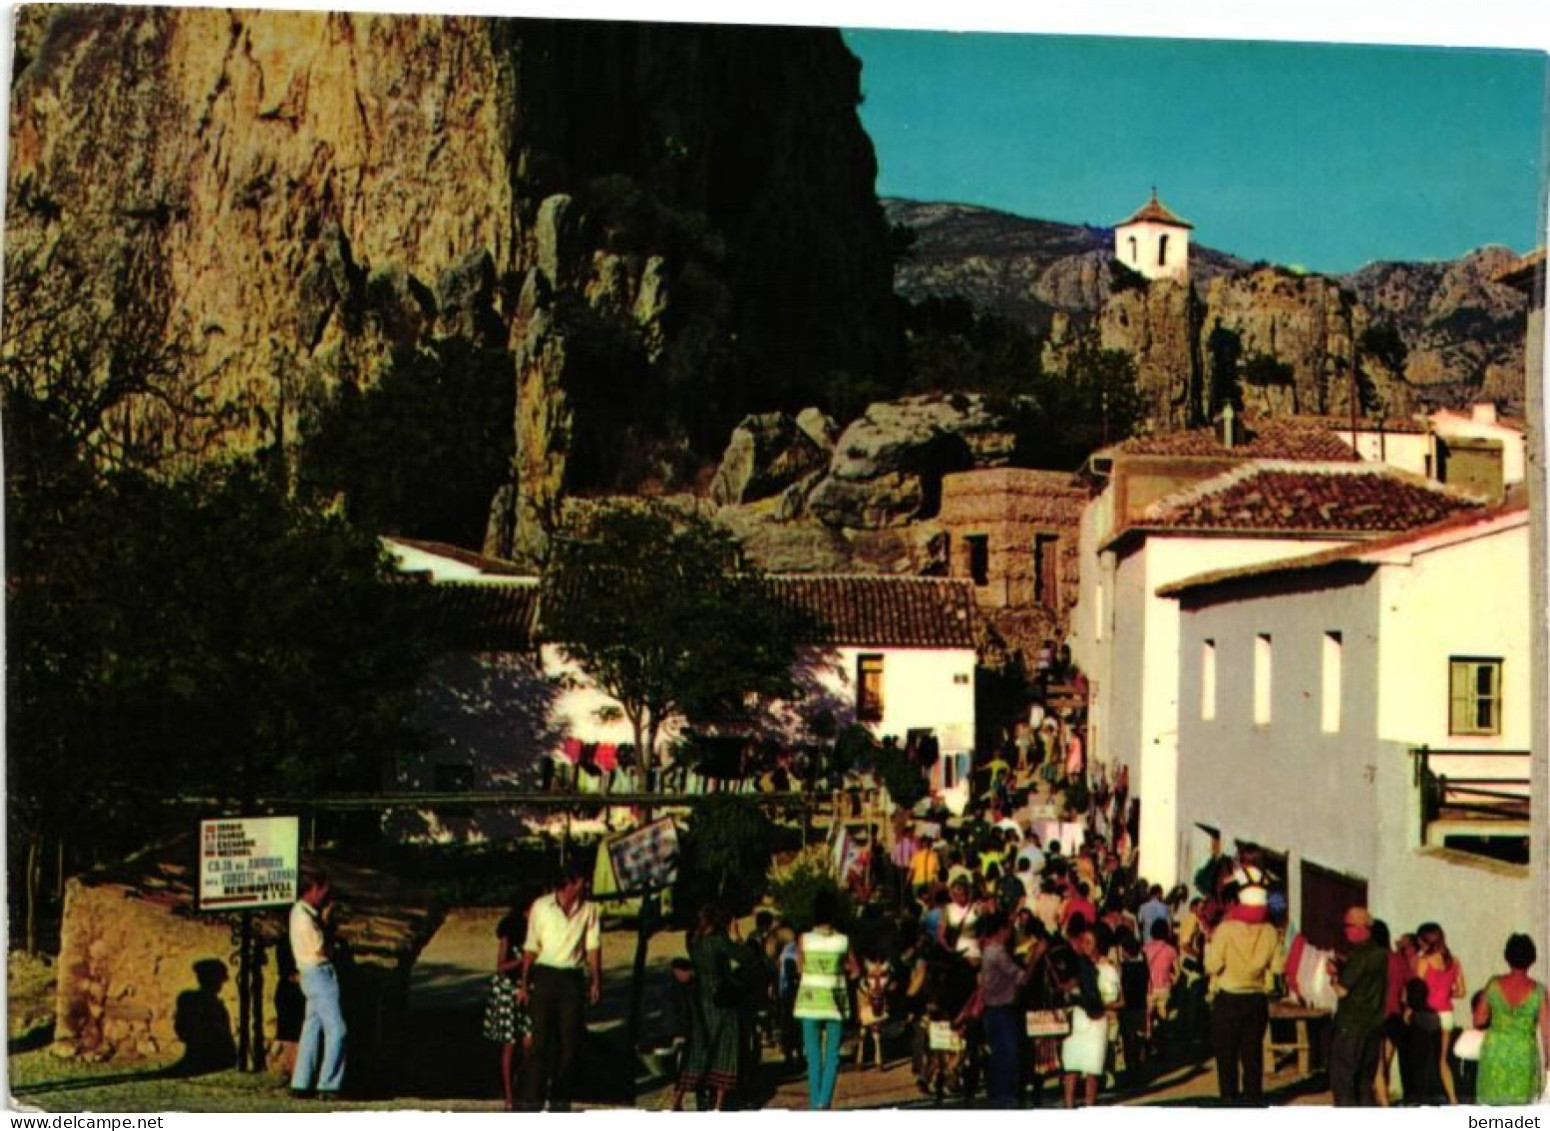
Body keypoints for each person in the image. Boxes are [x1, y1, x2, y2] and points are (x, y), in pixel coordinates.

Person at [515, 862, 602, 1112]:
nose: (586, 885)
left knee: (570, 1044)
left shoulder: (589, 910)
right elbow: (531, 946)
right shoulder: (542, 907)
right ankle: (530, 1102)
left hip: (572, 978)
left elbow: (593, 947)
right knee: (539, 1042)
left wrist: (596, 979)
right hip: (545, 976)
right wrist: (524, 983)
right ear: (571, 883)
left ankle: (560, 1103)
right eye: (583, 881)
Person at [672, 903, 746, 1111]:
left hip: (700, 999)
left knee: (697, 1050)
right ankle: (719, 1104)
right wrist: (736, 936)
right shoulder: (718, 942)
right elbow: (743, 956)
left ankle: (677, 1099)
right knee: (725, 1048)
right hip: (720, 1000)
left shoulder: (692, 940)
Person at [792, 889, 860, 1110]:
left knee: (813, 1057)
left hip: (809, 1002)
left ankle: (815, 1105)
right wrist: (840, 969)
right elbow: (856, 971)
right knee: (832, 1056)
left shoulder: (804, 939)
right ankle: (824, 1103)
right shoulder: (843, 941)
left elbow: (800, 968)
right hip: (835, 1003)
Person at [1473, 933, 1550, 1105]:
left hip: (1495, 1050)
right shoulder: (1538, 991)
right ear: (1532, 958)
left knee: (1491, 1109)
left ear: (1507, 956)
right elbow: (1547, 1033)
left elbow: (1478, 1019)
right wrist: (1548, 1065)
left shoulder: (1493, 984)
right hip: (1523, 1053)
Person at [289, 870, 347, 1099]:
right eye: (324, 891)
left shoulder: (300, 913)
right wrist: (329, 926)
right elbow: (323, 949)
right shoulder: (305, 918)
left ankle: (301, 1081)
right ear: (314, 889)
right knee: (337, 1030)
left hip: (308, 973)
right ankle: (329, 1083)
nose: (326, 895)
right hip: (319, 972)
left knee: (312, 1027)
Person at [1329, 906, 1388, 1106]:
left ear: (1361, 928)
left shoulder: (1358, 955)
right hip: (1373, 1024)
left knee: (1343, 1080)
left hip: (1352, 1025)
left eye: (1348, 926)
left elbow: (1342, 991)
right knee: (1364, 1081)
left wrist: (1334, 977)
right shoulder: (1380, 954)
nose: (1345, 930)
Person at [484, 892, 535, 1109]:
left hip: (528, 987)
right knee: (510, 1043)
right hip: (508, 988)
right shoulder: (511, 928)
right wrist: (521, 961)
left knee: (529, 1042)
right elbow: (501, 965)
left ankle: (520, 1081)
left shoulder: (538, 929)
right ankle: (509, 1094)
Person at [976, 912, 1029, 1107]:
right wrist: (1035, 956)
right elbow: (1020, 977)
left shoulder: (988, 951)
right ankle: (1007, 1099)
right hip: (1002, 1011)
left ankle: (999, 1097)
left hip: (993, 1011)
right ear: (1002, 930)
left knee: (998, 1057)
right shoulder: (997, 953)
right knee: (1008, 1057)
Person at [1412, 921, 1465, 1103]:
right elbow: (1461, 991)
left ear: (1424, 940)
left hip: (1428, 1015)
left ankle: (1424, 1100)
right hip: (1447, 1015)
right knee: (1442, 1061)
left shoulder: (1424, 961)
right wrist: (1445, 992)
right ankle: (1453, 1099)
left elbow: (1417, 991)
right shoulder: (1454, 961)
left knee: (1423, 1061)